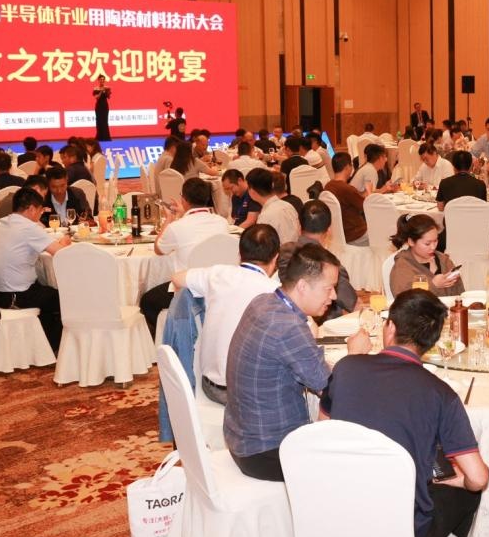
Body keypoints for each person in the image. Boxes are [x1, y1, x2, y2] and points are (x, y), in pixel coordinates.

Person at [321, 288, 489, 537]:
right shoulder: (441, 393)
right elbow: (479, 478)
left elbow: (323, 430)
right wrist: (455, 480)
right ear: (432, 342)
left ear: (390, 328)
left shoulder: (346, 368)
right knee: (469, 494)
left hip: (338, 519)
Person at [224, 243, 372, 481]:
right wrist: (354, 356)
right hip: (267, 451)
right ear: (302, 286)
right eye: (329, 289)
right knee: (360, 461)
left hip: (242, 436)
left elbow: (310, 368)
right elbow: (333, 391)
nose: (334, 297)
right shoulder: (288, 327)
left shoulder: (263, 302)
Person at [171, 224, 282, 404]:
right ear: (276, 258)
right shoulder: (275, 292)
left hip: (211, 386)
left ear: (239, 254)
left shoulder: (217, 274)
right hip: (250, 396)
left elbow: (177, 278)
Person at [138, 178, 230, 335]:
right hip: (218, 285)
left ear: (184, 199)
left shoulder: (177, 227)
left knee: (147, 301)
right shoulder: (222, 222)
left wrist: (169, 218)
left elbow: (159, 249)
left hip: (188, 291)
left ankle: (175, 335)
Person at [0, 188, 71, 351]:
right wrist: (65, 243)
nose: (40, 214)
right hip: (17, 295)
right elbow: (61, 253)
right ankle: (53, 347)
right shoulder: (28, 228)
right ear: (31, 209)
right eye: (40, 210)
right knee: (64, 298)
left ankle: (40, 344)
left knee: (46, 289)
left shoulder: (1, 223)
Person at [277, 200, 357, 322]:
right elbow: (353, 303)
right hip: (323, 323)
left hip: (285, 314)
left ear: (299, 226)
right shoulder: (328, 267)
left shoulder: (284, 251)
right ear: (329, 230)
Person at [389, 213, 463, 297]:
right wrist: (433, 285)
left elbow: (460, 295)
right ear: (411, 242)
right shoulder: (403, 266)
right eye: (427, 244)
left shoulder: (443, 260)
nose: (433, 247)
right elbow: (404, 300)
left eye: (435, 241)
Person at [323, 152, 369, 246]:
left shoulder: (328, 186)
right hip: (355, 234)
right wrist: (369, 192)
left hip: (337, 235)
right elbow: (365, 207)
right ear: (347, 167)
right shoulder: (346, 189)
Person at [249, 168, 299, 245]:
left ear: (252, 191)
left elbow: (263, 246)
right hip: (295, 249)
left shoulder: (266, 216)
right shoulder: (288, 205)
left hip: (280, 251)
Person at [92, 75, 111, 141]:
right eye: (101, 79)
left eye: (103, 79)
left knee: (105, 121)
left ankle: (106, 137)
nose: (102, 81)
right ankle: (99, 137)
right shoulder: (96, 88)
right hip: (98, 106)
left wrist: (107, 91)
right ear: (98, 80)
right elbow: (96, 97)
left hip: (105, 106)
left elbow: (109, 97)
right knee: (99, 121)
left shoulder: (107, 88)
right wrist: (101, 91)